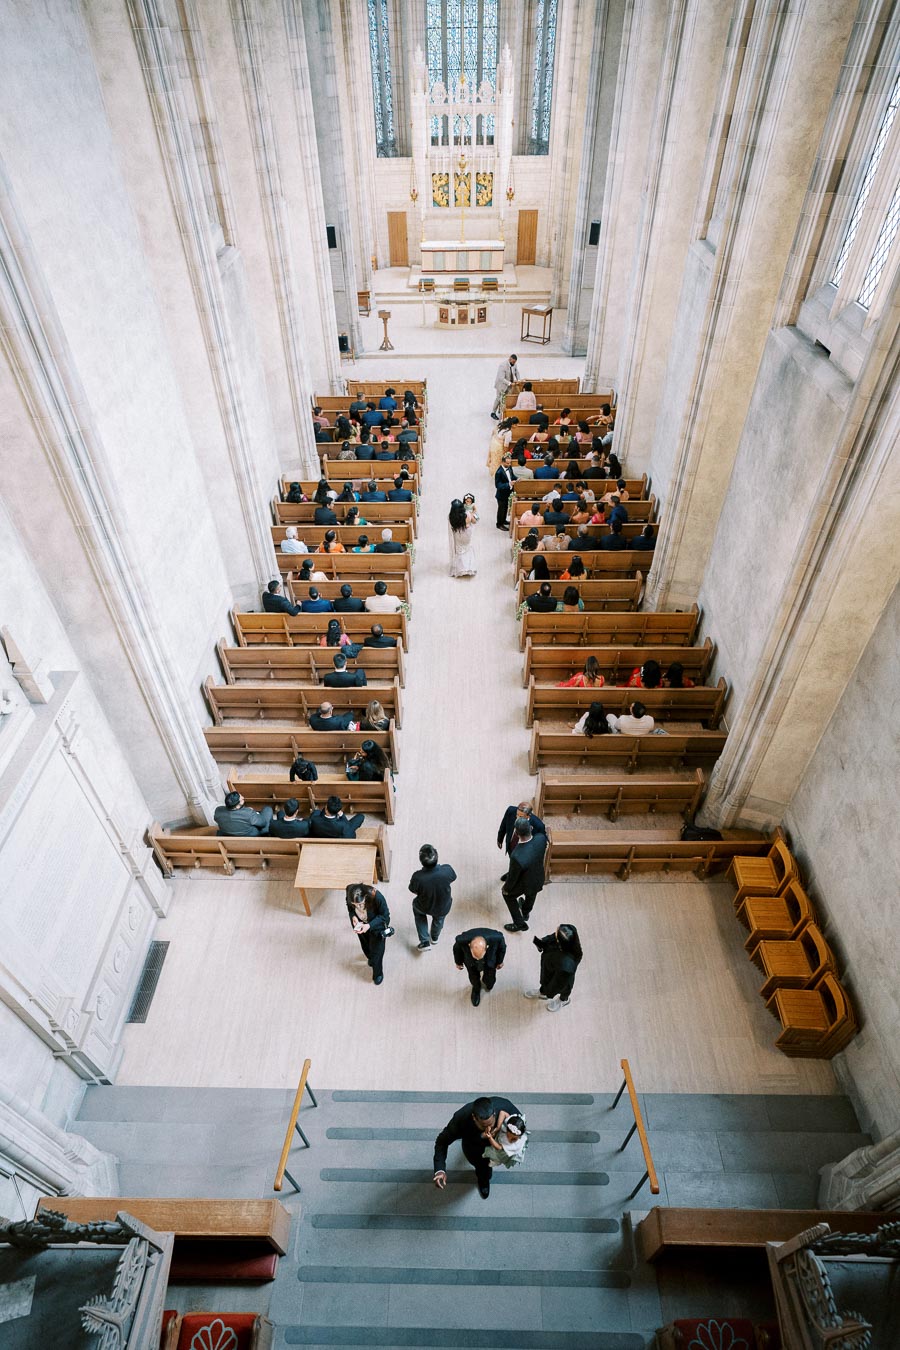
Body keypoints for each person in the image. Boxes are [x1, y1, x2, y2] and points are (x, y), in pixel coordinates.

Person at [433, 1096, 522, 1198]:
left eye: (491, 1124)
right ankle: (484, 1181)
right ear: (474, 1118)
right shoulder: (461, 1118)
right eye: (484, 1126)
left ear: (494, 1113)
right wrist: (440, 1170)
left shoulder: (504, 1105)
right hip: (475, 1148)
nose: (489, 1128)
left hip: (499, 1142)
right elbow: (442, 1142)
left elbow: (520, 1122)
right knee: (483, 1171)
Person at [409, 843, 457, 950]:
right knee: (439, 920)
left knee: (418, 913)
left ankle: (424, 941)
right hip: (443, 906)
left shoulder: (417, 877)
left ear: (421, 861)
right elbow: (454, 877)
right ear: (437, 857)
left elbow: (412, 889)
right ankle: (434, 938)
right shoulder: (447, 870)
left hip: (424, 905)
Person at [502, 820, 547, 933]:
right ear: (531, 828)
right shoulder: (541, 839)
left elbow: (512, 877)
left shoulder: (517, 855)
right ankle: (526, 912)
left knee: (508, 896)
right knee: (531, 895)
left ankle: (519, 923)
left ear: (516, 834)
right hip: (538, 876)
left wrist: (506, 889)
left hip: (524, 882)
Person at [526, 925, 583, 1011]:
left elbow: (558, 984)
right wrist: (542, 942)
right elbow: (552, 937)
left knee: (564, 989)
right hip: (551, 965)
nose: (554, 934)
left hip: (562, 974)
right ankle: (542, 991)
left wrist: (550, 993)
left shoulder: (567, 964)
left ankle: (563, 1000)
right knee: (546, 979)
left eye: (556, 934)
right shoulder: (565, 938)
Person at [346, 882, 391, 985]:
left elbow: (385, 916)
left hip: (376, 926)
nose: (358, 906)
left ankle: (378, 973)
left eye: (360, 904)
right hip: (360, 925)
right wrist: (353, 916)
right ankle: (370, 958)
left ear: (366, 896)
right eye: (355, 905)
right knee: (365, 944)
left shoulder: (376, 896)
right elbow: (349, 907)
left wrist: (369, 925)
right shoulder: (349, 891)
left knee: (377, 952)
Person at [453, 928, 507, 1007]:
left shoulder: (497, 938)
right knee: (473, 977)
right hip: (470, 962)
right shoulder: (461, 940)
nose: (478, 959)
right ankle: (476, 989)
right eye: (475, 956)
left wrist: (500, 961)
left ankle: (488, 982)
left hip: (489, 960)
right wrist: (458, 962)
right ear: (469, 946)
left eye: (479, 956)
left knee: (490, 978)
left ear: (487, 947)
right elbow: (456, 950)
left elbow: (502, 948)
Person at [497, 800, 546, 869]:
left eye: (521, 816)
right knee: (512, 861)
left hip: (525, 852)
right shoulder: (510, 811)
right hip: (511, 847)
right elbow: (504, 824)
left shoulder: (538, 825)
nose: (517, 818)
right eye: (517, 815)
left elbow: (542, 842)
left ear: (528, 816)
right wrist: (500, 839)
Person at [449, 498, 477, 577]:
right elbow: (475, 521)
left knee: (459, 549)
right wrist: (473, 512)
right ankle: (468, 567)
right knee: (467, 548)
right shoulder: (468, 514)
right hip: (467, 534)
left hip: (457, 534)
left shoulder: (451, 517)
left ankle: (460, 568)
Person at [491, 353, 518, 419]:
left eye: (515, 362)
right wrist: (510, 383)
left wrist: (518, 380)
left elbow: (516, 372)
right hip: (501, 385)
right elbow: (501, 378)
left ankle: (504, 410)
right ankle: (493, 412)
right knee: (499, 398)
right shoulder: (503, 366)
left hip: (509, 384)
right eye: (513, 362)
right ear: (510, 359)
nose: (514, 363)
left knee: (507, 398)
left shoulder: (514, 364)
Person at [494, 454, 514, 529]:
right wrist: (508, 484)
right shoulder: (499, 472)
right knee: (501, 510)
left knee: (505, 508)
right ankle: (499, 524)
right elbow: (498, 485)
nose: (509, 465)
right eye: (507, 463)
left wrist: (517, 479)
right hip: (501, 495)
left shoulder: (510, 468)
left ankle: (504, 520)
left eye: (510, 463)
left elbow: (512, 476)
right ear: (502, 462)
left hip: (508, 493)